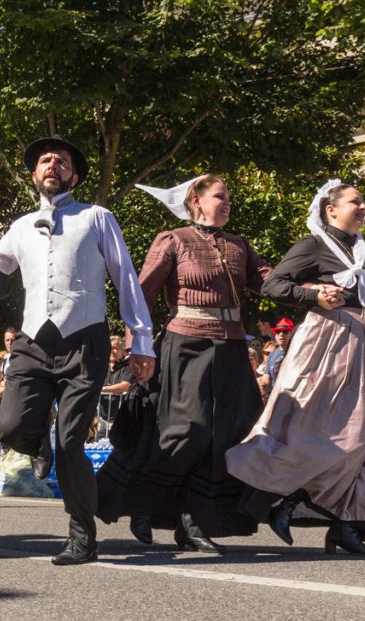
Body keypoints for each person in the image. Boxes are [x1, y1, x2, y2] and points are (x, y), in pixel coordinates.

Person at [0, 135, 155, 565]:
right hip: (33, 341)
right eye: (45, 161)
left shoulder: (97, 217)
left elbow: (125, 277)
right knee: (12, 426)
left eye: (62, 160)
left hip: (83, 340)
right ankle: (36, 446)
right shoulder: (18, 226)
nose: (52, 165)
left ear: (74, 173)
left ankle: (81, 535)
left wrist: (139, 340)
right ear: (34, 174)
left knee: (71, 442)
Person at [226, 179, 365, 556]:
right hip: (327, 342)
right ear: (331, 209)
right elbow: (274, 285)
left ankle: (343, 524)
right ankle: (285, 498)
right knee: (327, 432)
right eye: (355, 201)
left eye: (363, 202)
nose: (362, 207)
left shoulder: (364, 252)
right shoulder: (314, 245)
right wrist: (314, 295)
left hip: (364, 344)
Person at [95, 174, 270, 554]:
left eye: (229, 198)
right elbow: (141, 294)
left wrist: (311, 288)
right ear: (196, 200)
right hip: (185, 344)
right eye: (220, 196)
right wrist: (136, 347)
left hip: (232, 349)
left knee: (224, 437)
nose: (227, 203)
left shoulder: (240, 246)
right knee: (188, 431)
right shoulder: (173, 239)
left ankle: (192, 521)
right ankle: (143, 504)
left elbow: (270, 283)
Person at [98, 336, 133, 425]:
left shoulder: (127, 367)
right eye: (109, 348)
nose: (112, 351)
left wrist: (103, 389)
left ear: (122, 351)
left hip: (120, 420)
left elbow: (125, 385)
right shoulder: (101, 367)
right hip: (101, 420)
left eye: (115, 348)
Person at [266, 318, 294, 383]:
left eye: (285, 332)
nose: (281, 334)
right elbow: (266, 378)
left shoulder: (298, 353)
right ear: (275, 335)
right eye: (278, 332)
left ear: (291, 334)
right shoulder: (272, 354)